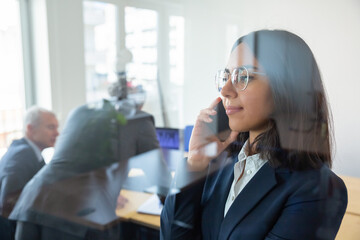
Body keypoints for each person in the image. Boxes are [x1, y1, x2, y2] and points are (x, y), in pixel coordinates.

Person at [160, 30, 348, 240]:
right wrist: (195, 164)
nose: (226, 90)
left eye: (243, 76)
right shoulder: (217, 164)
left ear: (287, 86)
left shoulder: (319, 191)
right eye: (227, 76)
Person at [10, 87, 159, 239]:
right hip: (75, 212)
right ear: (140, 104)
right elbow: (160, 178)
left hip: (34, 197)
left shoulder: (81, 111)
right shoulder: (139, 119)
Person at [0, 106, 59, 240]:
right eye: (51, 127)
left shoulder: (32, 153)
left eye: (57, 127)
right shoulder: (22, 155)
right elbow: (8, 205)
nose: (57, 133)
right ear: (30, 129)